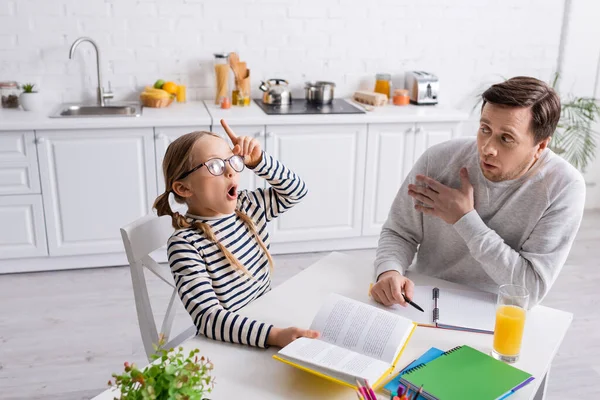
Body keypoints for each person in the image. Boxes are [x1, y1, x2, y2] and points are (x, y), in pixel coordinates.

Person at [371, 76, 585, 307]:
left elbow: (529, 290)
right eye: (485, 129)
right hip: (422, 298)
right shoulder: (439, 160)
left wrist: (465, 219)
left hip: (496, 311)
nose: (487, 148)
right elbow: (400, 232)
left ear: (540, 146)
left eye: (506, 138)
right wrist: (389, 271)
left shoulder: (563, 187)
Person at [153, 119, 318, 348]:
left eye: (232, 160)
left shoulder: (247, 207)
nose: (231, 170)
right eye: (216, 166)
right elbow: (208, 319)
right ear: (183, 188)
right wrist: (275, 336)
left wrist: (259, 161)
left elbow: (296, 191)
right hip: (235, 342)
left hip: (268, 320)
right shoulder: (185, 245)